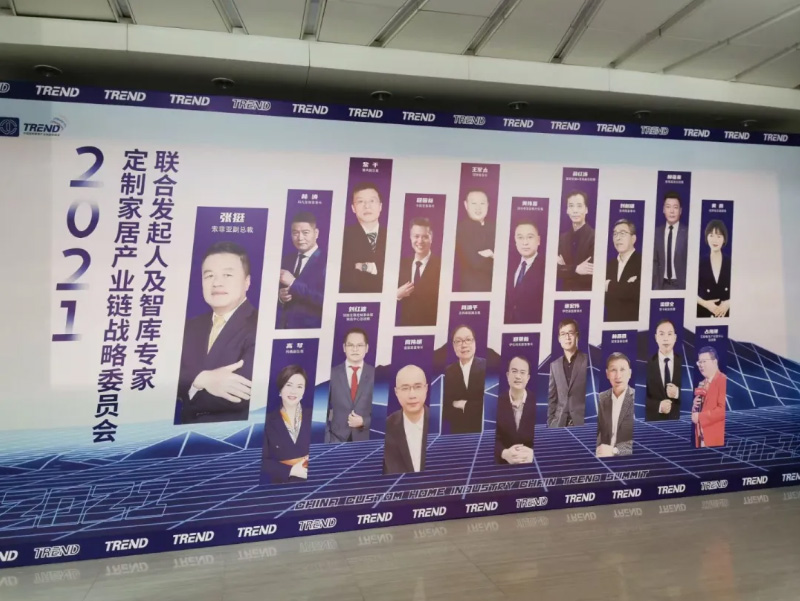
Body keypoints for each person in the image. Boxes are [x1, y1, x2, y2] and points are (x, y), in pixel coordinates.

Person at [177, 241, 257, 424]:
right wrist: (201, 380)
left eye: (227, 275)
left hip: (233, 434)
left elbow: (242, 393)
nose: (217, 283)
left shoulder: (260, 326)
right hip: (184, 433)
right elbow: (166, 376)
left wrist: (191, 383)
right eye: (209, 275)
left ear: (247, 282)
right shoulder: (190, 327)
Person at [262, 364, 312, 483]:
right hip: (281, 484)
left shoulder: (315, 416)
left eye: (299, 386)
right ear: (280, 389)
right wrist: (292, 470)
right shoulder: (266, 421)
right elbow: (261, 461)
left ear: (304, 391)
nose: (293, 391)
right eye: (289, 385)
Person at [277, 211, 326, 329]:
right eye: (295, 233)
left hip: (311, 330)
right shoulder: (286, 260)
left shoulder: (326, 261)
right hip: (285, 328)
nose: (300, 238)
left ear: (316, 233)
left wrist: (293, 283)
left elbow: (325, 299)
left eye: (305, 233)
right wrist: (281, 297)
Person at [325, 328, 374, 443]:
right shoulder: (331, 374)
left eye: (359, 345)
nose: (355, 349)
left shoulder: (377, 375)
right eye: (350, 345)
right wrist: (328, 439)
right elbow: (321, 410)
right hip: (336, 439)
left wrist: (364, 421)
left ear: (367, 348)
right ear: (344, 347)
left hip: (366, 441)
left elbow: (382, 414)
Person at [339, 182, 386, 293]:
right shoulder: (342, 236)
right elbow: (344, 274)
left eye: (372, 201)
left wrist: (363, 267)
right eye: (360, 201)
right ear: (353, 208)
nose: (367, 206)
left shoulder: (393, 236)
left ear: (380, 206)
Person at [383, 364, 429, 474]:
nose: (412, 395)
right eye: (405, 388)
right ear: (396, 392)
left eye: (417, 387)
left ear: (426, 389)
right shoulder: (384, 429)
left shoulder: (442, 424)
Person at [396, 217, 441, 326]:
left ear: (431, 238)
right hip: (404, 327)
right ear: (410, 237)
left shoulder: (441, 265)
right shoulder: (401, 264)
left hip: (431, 327)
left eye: (425, 237)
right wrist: (397, 294)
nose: (420, 241)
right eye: (416, 236)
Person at [442, 325, 486, 434]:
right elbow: (444, 407)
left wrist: (464, 405)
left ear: (474, 342)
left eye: (468, 340)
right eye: (458, 341)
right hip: (457, 432)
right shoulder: (447, 372)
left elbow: (489, 405)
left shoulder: (487, 367)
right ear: (453, 345)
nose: (464, 345)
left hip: (484, 430)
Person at [495, 356, 536, 465]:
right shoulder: (495, 403)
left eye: (522, 372)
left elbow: (546, 438)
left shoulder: (538, 403)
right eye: (514, 371)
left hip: (533, 466)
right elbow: (490, 438)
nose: (518, 376)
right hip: (503, 465)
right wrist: (504, 453)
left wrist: (534, 454)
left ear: (528, 378)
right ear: (507, 375)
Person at [547, 318, 588, 427]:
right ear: (559, 338)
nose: (567, 337)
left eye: (570, 333)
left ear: (577, 336)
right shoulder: (554, 365)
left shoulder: (588, 361)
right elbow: (552, 399)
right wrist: (551, 423)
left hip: (582, 424)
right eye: (563, 334)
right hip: (559, 425)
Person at [454, 189, 495, 292]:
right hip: (473, 287)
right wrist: (495, 257)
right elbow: (475, 262)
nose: (478, 207)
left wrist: (492, 255)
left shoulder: (495, 227)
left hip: (496, 287)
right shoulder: (461, 229)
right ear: (466, 205)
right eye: (474, 203)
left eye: (482, 203)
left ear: (488, 205)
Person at [505, 220, 545, 324]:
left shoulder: (545, 266)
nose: (525, 243)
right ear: (515, 241)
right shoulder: (509, 265)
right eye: (520, 237)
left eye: (530, 237)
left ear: (538, 240)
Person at [596, 353, 635, 457]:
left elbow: (643, 440)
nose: (618, 376)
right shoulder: (600, 398)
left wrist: (615, 451)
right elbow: (595, 432)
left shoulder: (638, 399)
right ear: (607, 374)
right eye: (613, 370)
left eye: (622, 369)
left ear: (630, 373)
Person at [604, 219, 642, 322]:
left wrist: (608, 285)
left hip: (634, 322)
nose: (618, 238)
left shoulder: (642, 262)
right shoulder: (609, 265)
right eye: (615, 234)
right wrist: (625, 287)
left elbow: (636, 292)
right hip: (611, 322)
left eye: (622, 233)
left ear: (633, 238)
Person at [557, 191, 595, 291]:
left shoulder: (595, 237)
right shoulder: (562, 238)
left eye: (579, 206)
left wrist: (566, 268)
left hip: (586, 294)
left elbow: (590, 272)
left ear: (586, 209)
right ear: (567, 210)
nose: (575, 210)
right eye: (571, 206)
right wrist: (576, 269)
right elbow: (556, 269)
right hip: (564, 294)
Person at [645, 319, 683, 421]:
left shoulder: (684, 363)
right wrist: (658, 406)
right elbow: (639, 397)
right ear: (656, 337)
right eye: (661, 334)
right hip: (654, 423)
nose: (666, 339)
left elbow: (695, 394)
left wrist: (677, 393)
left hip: (681, 423)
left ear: (675, 338)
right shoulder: (646, 364)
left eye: (669, 334)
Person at [652, 192, 688, 290]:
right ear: (663, 209)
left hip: (681, 286)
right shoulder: (656, 232)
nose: (672, 211)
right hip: (661, 285)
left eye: (675, 207)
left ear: (680, 211)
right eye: (668, 207)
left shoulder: (687, 233)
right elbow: (654, 261)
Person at [692, 347, 727, 448]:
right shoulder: (701, 384)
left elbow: (723, 410)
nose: (701, 365)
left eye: (704, 361)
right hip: (700, 439)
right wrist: (694, 406)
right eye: (699, 362)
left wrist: (700, 417)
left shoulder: (723, 380)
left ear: (714, 362)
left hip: (716, 440)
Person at [697, 220, 732, 318]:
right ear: (706, 237)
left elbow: (742, 289)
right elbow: (689, 291)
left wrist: (728, 303)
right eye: (711, 235)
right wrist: (705, 304)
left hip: (726, 314)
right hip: (703, 313)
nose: (714, 240)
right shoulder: (699, 262)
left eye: (719, 236)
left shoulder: (731, 262)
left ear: (724, 239)